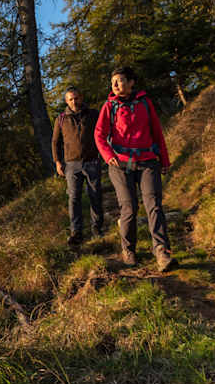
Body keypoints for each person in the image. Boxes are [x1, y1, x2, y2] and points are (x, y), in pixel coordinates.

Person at [94, 67, 177, 271]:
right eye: (113, 81)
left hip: (148, 161)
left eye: (120, 80)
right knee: (129, 208)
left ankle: (161, 251)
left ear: (131, 83)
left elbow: (157, 132)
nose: (115, 85)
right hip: (120, 165)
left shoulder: (145, 103)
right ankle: (129, 249)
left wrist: (164, 160)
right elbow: (99, 134)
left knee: (154, 204)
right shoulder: (109, 106)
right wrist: (108, 155)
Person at [52, 86, 104, 246]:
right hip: (71, 164)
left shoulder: (93, 114)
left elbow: (103, 132)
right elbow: (55, 142)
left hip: (92, 161)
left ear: (81, 97)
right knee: (74, 198)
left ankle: (97, 229)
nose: (74, 101)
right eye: (70, 99)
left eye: (76, 98)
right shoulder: (61, 119)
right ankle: (76, 232)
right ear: (66, 101)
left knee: (95, 195)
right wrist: (58, 162)